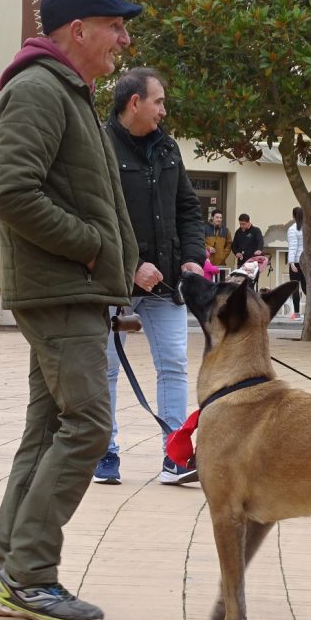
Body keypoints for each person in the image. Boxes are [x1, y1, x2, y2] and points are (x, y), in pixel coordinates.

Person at [0, 0, 141, 620]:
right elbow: (10, 192)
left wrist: (113, 257)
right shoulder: (40, 91)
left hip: (71, 288)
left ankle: (8, 571)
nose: (123, 41)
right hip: (61, 290)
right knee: (89, 427)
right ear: (78, 29)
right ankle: (29, 578)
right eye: (114, 27)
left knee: (49, 431)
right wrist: (93, 247)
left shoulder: (66, 91)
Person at [93, 67, 205, 487]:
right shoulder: (99, 147)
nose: (163, 110)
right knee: (106, 368)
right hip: (112, 282)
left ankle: (175, 455)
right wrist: (132, 265)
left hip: (165, 284)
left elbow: (188, 208)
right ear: (135, 102)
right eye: (158, 101)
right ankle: (104, 452)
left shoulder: (168, 148)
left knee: (173, 364)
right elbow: (95, 219)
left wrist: (191, 259)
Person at [286, 206, 306, 320]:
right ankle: (310, 312)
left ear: (293, 216)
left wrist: (291, 262)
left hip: (296, 262)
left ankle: (297, 314)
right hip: (306, 262)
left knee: (295, 288)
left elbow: (293, 247)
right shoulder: (307, 227)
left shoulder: (293, 229)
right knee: (307, 288)